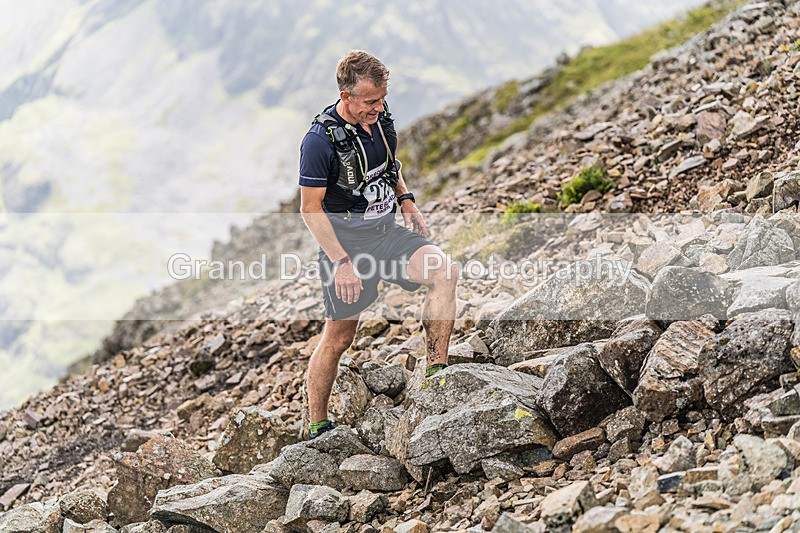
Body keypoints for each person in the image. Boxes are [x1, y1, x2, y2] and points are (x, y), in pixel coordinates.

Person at [298, 50, 458, 440]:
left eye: (382, 98)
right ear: (345, 95)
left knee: (444, 272)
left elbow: (389, 166)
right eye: (370, 100)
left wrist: (406, 199)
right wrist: (341, 263)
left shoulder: (380, 120)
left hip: (387, 234)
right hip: (347, 247)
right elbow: (310, 209)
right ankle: (317, 424)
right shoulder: (319, 142)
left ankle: (437, 376)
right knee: (339, 337)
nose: (379, 107)